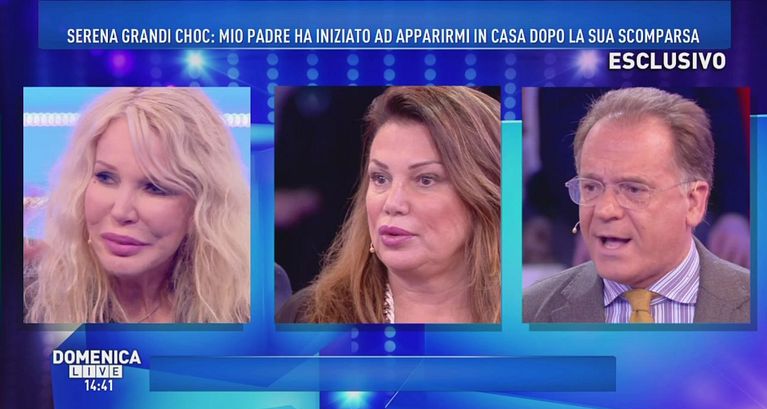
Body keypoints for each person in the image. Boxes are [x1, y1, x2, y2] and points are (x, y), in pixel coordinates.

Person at [523, 87, 750, 323]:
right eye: (591, 187)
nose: (604, 210)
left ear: (693, 202)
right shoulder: (529, 312)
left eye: (633, 189)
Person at [24, 88, 250, 323]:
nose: (121, 211)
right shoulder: (30, 297)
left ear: (203, 206)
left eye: (155, 187)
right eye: (105, 177)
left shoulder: (250, 304)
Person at [277, 86, 501, 323]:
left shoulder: (523, 318)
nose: (392, 203)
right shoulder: (306, 316)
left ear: (483, 195)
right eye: (380, 178)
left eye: (425, 180)